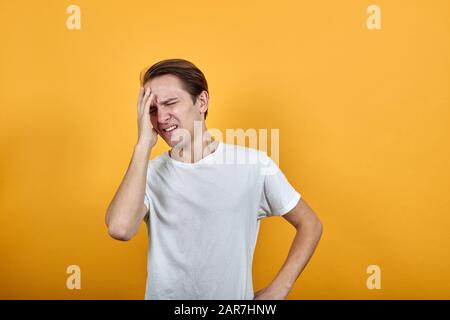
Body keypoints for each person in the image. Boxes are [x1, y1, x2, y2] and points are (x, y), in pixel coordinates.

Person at [105, 58, 323, 300]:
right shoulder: (146, 174)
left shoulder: (253, 165)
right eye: (152, 110)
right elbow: (120, 228)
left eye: (170, 103)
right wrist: (143, 143)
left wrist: (279, 288)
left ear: (202, 101)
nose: (162, 117)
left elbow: (310, 225)